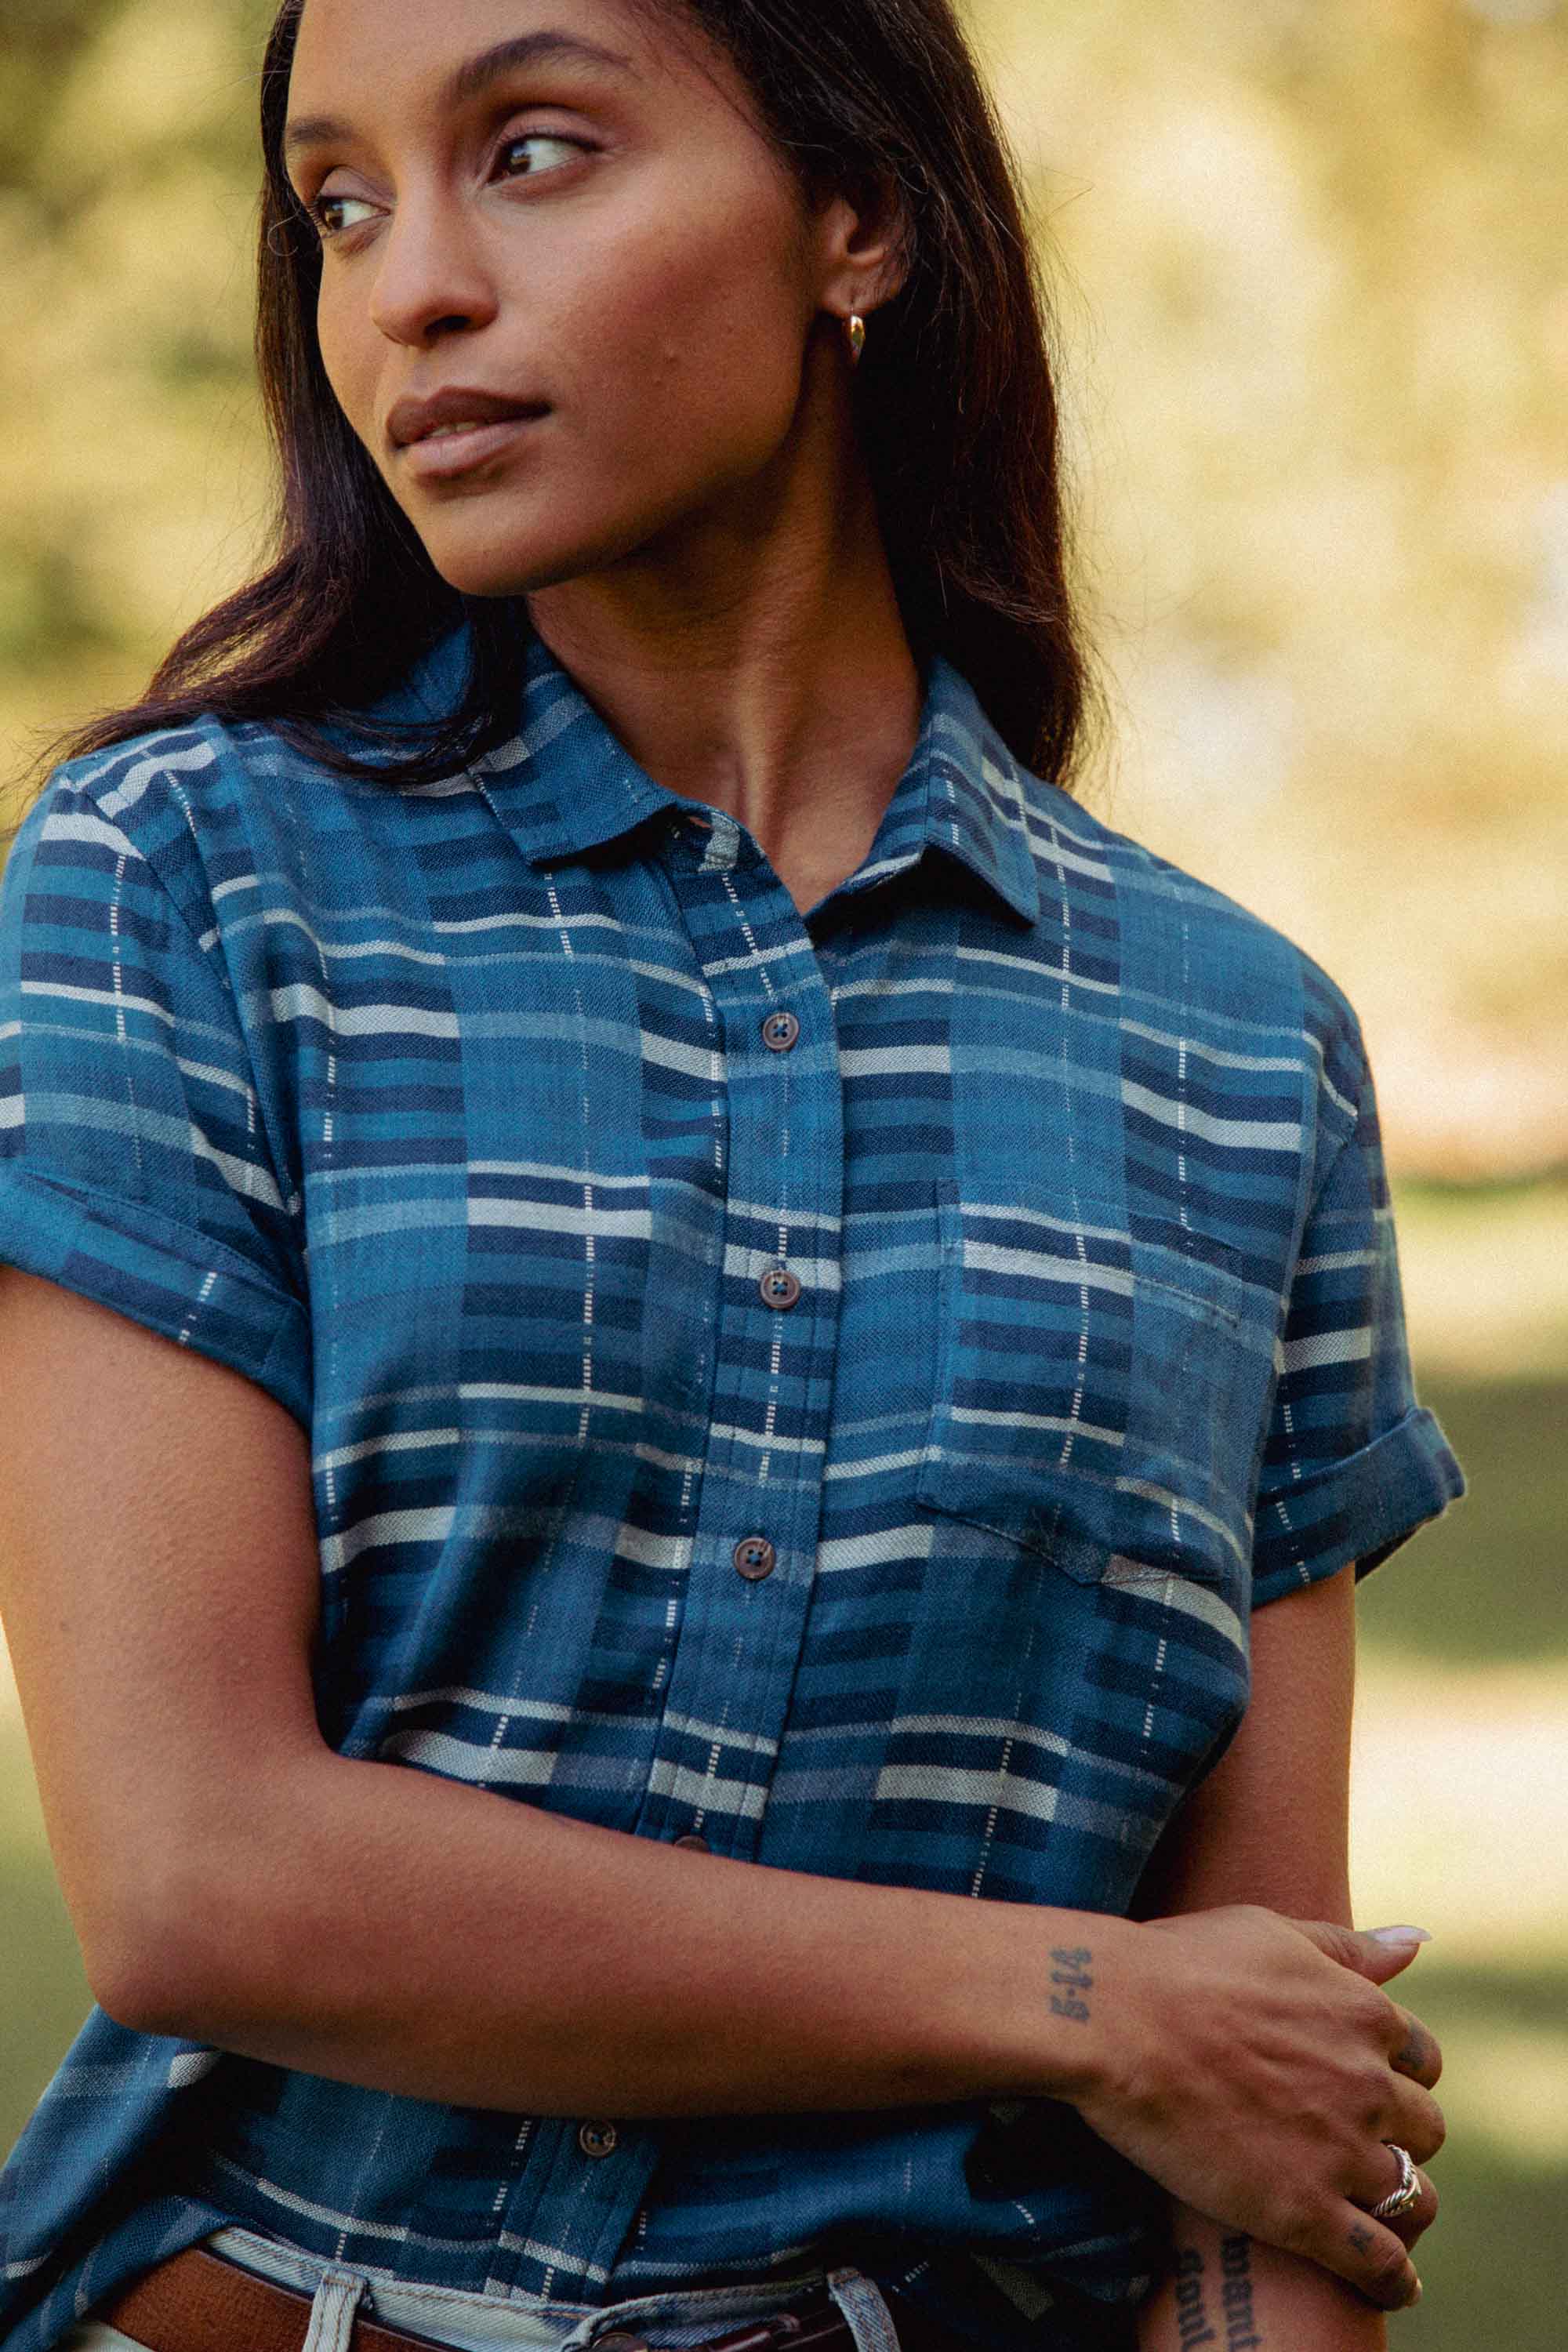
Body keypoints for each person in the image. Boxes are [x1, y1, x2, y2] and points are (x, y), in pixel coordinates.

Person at [0, 2, 1467, 2350]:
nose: (407, 292)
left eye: (540, 151)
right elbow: (200, 1874)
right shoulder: (182, 883)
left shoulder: (1236, 1046)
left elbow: (1270, 2064)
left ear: (855, 220)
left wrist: (1185, 2059)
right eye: (340, 203)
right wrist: (1072, 1999)